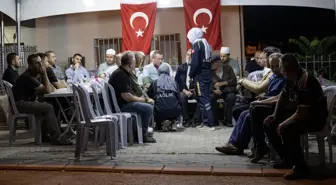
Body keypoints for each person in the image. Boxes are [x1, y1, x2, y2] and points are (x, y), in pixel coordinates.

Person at [263, 53, 328, 180]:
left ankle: (300, 168)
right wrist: (275, 115)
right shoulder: (290, 78)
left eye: (281, 67)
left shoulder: (305, 81)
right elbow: (283, 96)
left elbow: (302, 113)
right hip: (302, 115)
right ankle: (287, 158)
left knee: (288, 128)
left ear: (288, 69)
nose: (279, 70)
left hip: (314, 118)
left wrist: (283, 123)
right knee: (269, 123)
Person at [215, 53, 285, 156]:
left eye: (277, 66)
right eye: (272, 66)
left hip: (276, 108)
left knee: (248, 115)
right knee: (242, 112)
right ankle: (236, 143)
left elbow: (278, 97)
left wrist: (262, 100)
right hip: (266, 104)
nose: (274, 69)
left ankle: (242, 145)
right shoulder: (273, 76)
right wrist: (262, 98)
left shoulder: (285, 78)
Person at [11, 54, 72, 145]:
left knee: (53, 104)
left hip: (28, 102)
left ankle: (45, 135)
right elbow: (47, 91)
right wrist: (44, 74)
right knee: (48, 107)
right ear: (30, 66)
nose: (40, 65)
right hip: (20, 104)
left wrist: (44, 77)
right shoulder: (28, 77)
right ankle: (56, 138)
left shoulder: (36, 75)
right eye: (37, 63)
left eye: (41, 63)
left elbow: (51, 88)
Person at [109, 51, 156, 143]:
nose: (136, 64)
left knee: (147, 105)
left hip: (122, 103)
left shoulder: (123, 72)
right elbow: (126, 96)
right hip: (121, 106)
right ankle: (142, 135)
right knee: (148, 108)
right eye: (134, 62)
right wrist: (143, 100)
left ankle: (139, 132)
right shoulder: (121, 74)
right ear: (130, 64)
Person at [232, 47, 280, 121]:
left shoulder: (275, 74)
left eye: (263, 58)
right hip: (267, 100)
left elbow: (259, 88)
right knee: (237, 110)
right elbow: (260, 84)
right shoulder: (271, 73)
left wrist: (243, 81)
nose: (261, 60)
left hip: (272, 105)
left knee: (241, 112)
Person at [187, 27, 215, 131]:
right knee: (204, 97)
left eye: (189, 36)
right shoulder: (206, 43)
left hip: (200, 74)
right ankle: (205, 122)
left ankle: (209, 124)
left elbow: (195, 62)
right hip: (207, 72)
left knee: (203, 98)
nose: (189, 38)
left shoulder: (197, 44)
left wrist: (191, 74)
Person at [147, 64, 182, 131]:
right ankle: (173, 122)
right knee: (173, 107)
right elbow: (179, 98)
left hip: (160, 111)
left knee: (156, 105)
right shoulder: (174, 82)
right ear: (168, 71)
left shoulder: (155, 82)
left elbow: (148, 95)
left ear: (159, 71)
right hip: (175, 111)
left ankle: (160, 123)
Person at [175, 49, 200, 127]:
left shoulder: (198, 68)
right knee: (182, 97)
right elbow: (176, 82)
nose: (189, 57)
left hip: (195, 91)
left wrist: (195, 90)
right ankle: (186, 119)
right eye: (188, 55)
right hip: (184, 91)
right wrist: (184, 90)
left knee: (202, 97)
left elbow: (200, 81)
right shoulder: (180, 68)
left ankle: (195, 119)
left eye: (191, 56)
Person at [210, 55, 237, 127]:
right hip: (215, 91)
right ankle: (214, 120)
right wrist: (213, 90)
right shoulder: (210, 71)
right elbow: (207, 84)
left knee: (231, 97)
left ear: (218, 63)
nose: (211, 66)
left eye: (212, 64)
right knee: (211, 97)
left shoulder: (228, 68)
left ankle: (228, 120)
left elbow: (234, 81)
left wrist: (222, 83)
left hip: (226, 91)